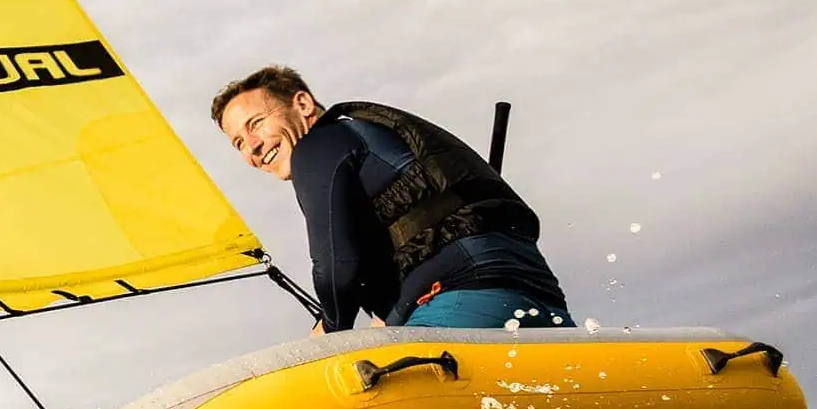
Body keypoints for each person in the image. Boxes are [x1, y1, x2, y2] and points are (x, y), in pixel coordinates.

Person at [210, 65, 571, 333]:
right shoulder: (365, 135)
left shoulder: (318, 146)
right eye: (238, 143)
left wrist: (326, 337)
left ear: (302, 104)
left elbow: (337, 267)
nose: (252, 148)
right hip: (541, 299)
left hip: (464, 298)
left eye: (255, 124)